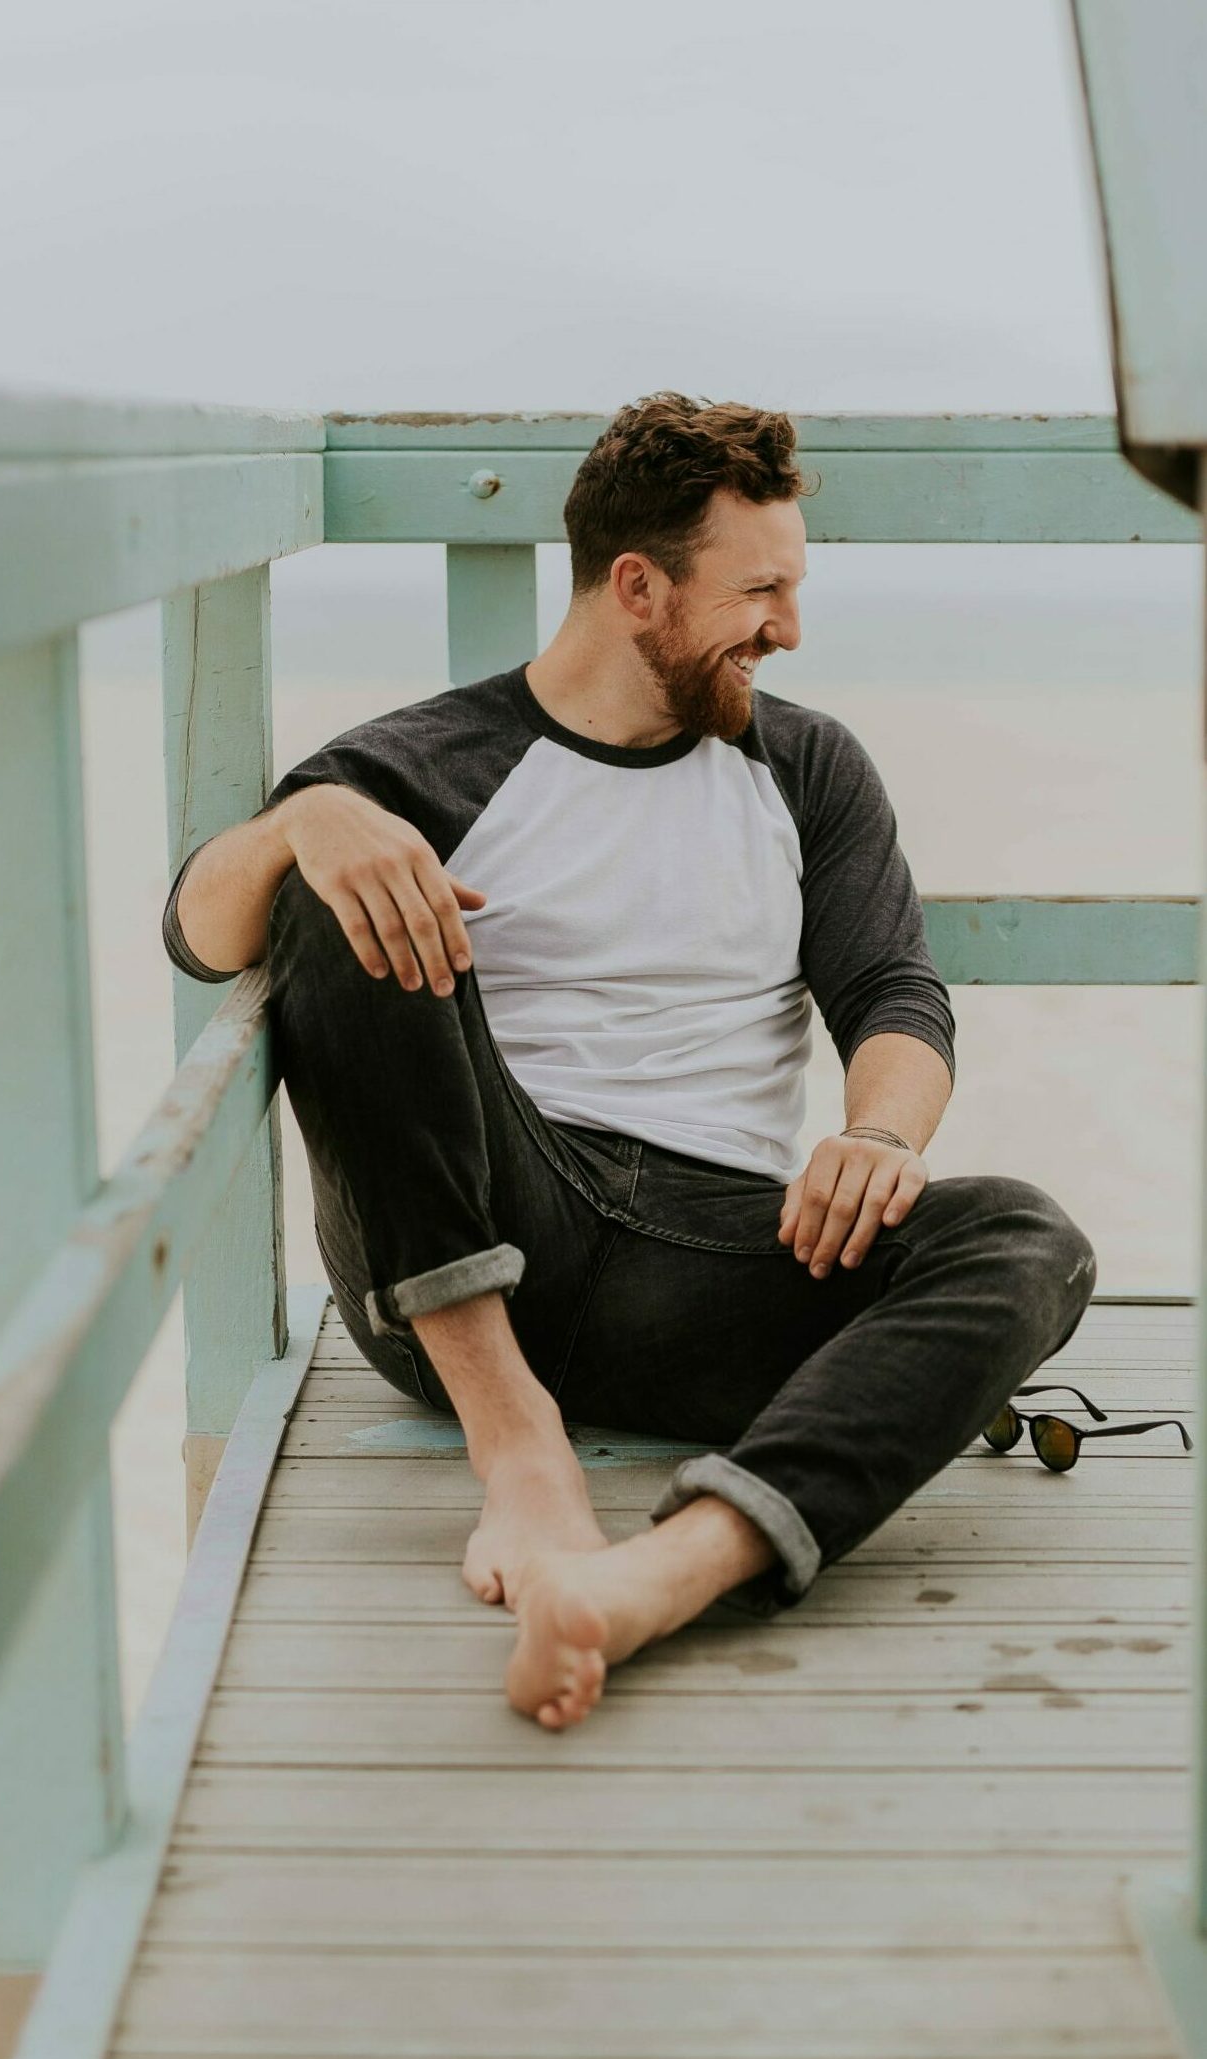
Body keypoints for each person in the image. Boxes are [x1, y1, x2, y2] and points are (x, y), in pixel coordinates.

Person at [162, 390, 1098, 1731]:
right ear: (641, 588)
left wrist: (880, 1139)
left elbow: (894, 992)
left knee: (1027, 1238)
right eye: (760, 589)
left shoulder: (810, 768)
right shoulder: (426, 763)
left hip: (711, 1257)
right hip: (475, 1231)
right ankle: (519, 1446)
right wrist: (306, 821)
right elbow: (200, 936)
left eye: (796, 586)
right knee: (331, 879)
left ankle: (661, 1576)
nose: (788, 626)